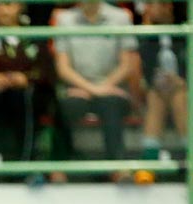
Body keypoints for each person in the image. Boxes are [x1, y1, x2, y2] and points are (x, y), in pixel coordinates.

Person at [133, 0, 193, 181]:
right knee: (155, 95)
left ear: (167, 6)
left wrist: (183, 83)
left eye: (151, 4)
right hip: (166, 93)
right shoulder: (146, 34)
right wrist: (162, 81)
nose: (147, 9)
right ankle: (149, 163)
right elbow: (148, 71)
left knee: (180, 97)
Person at [0, 1, 54, 170]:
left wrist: (26, 78)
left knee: (26, 97)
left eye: (8, 4)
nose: (3, 11)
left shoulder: (33, 33)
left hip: (25, 90)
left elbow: (45, 68)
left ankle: (25, 166)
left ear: (20, 6)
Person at [52, 0, 138, 166]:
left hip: (112, 88)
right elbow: (63, 68)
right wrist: (92, 89)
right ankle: (59, 168)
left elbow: (127, 65)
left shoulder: (120, 17)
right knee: (64, 107)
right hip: (77, 88)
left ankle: (117, 167)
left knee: (110, 104)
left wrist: (103, 87)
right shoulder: (64, 19)